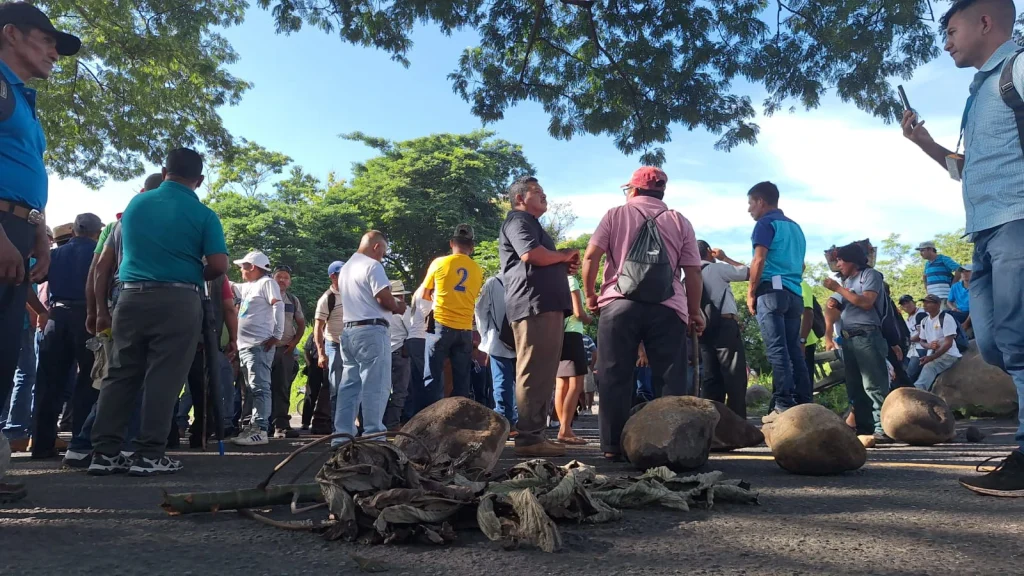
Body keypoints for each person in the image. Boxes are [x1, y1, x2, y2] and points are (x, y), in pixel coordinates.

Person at [901, 0, 1024, 496]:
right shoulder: (982, 91)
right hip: (986, 232)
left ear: (985, 22)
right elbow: (968, 168)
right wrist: (924, 142)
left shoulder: (1017, 67)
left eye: (951, 30)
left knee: (1017, 341)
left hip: (1018, 221)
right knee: (994, 344)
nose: (946, 41)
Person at [88, 148, 228, 476]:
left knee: (121, 372)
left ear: (164, 171)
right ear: (200, 179)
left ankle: (104, 452)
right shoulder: (204, 215)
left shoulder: (136, 205)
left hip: (130, 296)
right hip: (179, 299)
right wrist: (194, 271)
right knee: (164, 376)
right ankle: (149, 453)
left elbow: (105, 264)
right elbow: (219, 265)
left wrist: (99, 309)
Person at [0, 1, 80, 500]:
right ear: (10, 34)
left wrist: (41, 231)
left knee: (5, 354)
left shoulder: (21, 97)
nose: (55, 50)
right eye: (46, 39)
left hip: (19, 230)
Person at [583, 167, 703, 461]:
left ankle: (612, 446)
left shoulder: (615, 214)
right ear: (662, 192)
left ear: (633, 190)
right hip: (668, 306)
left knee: (614, 374)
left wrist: (590, 294)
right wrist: (694, 310)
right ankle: (667, 444)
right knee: (670, 377)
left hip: (619, 303)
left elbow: (591, 257)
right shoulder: (679, 220)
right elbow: (693, 271)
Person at [499, 176, 578, 458]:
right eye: (537, 192)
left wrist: (559, 263)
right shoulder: (518, 221)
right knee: (534, 371)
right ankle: (530, 438)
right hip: (535, 305)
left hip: (544, 305)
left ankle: (535, 435)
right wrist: (563, 255)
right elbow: (531, 255)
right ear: (520, 198)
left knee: (543, 373)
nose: (544, 195)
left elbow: (541, 257)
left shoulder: (531, 224)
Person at [31, 213, 103, 459]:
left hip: (57, 316)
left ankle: (41, 444)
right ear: (97, 232)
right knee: (89, 381)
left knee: (48, 383)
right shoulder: (100, 254)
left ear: (73, 231)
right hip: (88, 317)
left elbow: (31, 279)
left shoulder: (55, 254)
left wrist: (42, 311)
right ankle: (81, 444)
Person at [745, 181, 810, 421]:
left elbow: (759, 260)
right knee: (794, 349)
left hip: (771, 292)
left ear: (761, 201)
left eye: (750, 203)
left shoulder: (765, 223)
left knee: (777, 349)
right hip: (794, 293)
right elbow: (801, 264)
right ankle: (804, 399)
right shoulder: (796, 227)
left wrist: (751, 292)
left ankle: (783, 402)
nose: (749, 209)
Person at [333, 231, 406, 446]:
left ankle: (341, 436)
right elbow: (384, 298)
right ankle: (374, 437)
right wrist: (398, 306)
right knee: (376, 385)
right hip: (372, 330)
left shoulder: (346, 268)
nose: (383, 256)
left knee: (349, 386)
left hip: (349, 331)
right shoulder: (373, 266)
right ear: (376, 247)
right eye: (383, 251)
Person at [822, 243, 891, 443]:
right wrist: (828, 333)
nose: (838, 264)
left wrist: (838, 289)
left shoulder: (869, 275)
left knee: (873, 384)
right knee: (855, 386)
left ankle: (882, 428)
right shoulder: (846, 282)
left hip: (867, 335)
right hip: (848, 338)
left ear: (852, 260)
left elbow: (866, 302)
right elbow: (832, 306)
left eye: (841, 260)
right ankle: (864, 427)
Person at [86, 173, 162, 336]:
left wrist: (97, 312)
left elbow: (98, 268)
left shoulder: (117, 225)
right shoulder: (179, 220)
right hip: (166, 297)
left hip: (125, 295)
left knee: (123, 356)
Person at [420, 224, 484, 406]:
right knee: (462, 380)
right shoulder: (478, 270)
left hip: (440, 325)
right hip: (464, 329)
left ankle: (430, 424)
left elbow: (425, 293)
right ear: (472, 247)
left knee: (432, 377)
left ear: (451, 243)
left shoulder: (439, 263)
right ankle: (459, 422)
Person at [229, 251, 284, 446]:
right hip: (247, 346)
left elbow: (278, 305)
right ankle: (253, 427)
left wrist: (277, 334)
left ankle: (260, 429)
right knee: (252, 389)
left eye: (243, 266)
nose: (240, 270)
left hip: (258, 344)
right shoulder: (250, 286)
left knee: (260, 387)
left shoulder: (267, 283)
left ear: (252, 267)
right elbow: (232, 286)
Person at [697, 241, 750, 417]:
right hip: (725, 325)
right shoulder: (717, 268)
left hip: (703, 329)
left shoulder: (689, 275)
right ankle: (737, 424)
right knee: (734, 375)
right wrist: (724, 257)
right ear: (708, 252)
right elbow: (749, 272)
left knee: (711, 378)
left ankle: (712, 424)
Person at [475, 273, 518, 429]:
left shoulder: (494, 282)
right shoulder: (527, 278)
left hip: (498, 339)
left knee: (501, 381)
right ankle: (526, 420)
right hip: (524, 340)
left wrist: (484, 335)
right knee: (524, 381)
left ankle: (505, 421)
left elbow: (480, 310)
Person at [554, 274, 591, 444]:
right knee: (576, 384)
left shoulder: (553, 280)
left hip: (558, 335)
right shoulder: (570, 280)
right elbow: (578, 313)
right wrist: (590, 318)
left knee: (562, 385)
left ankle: (564, 428)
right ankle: (565, 430)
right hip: (573, 333)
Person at [268, 265, 305, 438]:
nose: (282, 280)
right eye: (279, 277)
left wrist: (294, 343)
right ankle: (260, 425)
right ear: (272, 278)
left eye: (286, 277)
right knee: (260, 388)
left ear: (289, 282)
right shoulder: (264, 294)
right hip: (265, 348)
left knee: (283, 388)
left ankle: (281, 425)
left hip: (285, 350)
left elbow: (301, 323)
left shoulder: (292, 300)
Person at [313, 260, 345, 432]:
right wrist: (321, 352)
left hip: (353, 346)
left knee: (355, 387)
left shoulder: (354, 294)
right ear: (333, 276)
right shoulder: (328, 298)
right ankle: (336, 428)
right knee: (336, 388)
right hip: (334, 345)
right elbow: (318, 326)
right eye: (341, 274)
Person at [912, 295, 963, 391]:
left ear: (938, 304)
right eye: (924, 302)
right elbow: (922, 341)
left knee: (929, 367)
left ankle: (917, 393)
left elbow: (948, 343)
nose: (925, 305)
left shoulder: (946, 318)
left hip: (948, 354)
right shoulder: (924, 321)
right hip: (932, 353)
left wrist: (931, 358)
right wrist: (929, 345)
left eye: (929, 302)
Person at [400, 285, 433, 422]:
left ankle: (416, 415)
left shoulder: (420, 291)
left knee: (417, 381)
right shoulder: (427, 291)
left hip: (416, 338)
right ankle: (427, 414)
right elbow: (428, 312)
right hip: (421, 338)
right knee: (428, 378)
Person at [384, 280, 411, 430]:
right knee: (400, 390)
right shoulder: (403, 311)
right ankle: (393, 424)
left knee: (383, 390)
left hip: (383, 353)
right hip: (400, 352)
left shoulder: (381, 309)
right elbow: (412, 331)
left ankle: (380, 422)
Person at [914, 241, 962, 309]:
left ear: (930, 249)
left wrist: (954, 284)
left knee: (946, 316)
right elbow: (925, 276)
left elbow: (959, 269)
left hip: (945, 297)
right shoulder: (927, 264)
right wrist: (927, 289)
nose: (921, 253)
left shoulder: (943, 259)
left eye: (922, 250)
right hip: (933, 299)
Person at [799, 276, 821, 404]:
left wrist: (802, 340)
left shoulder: (801, 284)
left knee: (804, 381)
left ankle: (806, 410)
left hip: (805, 340)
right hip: (795, 341)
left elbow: (808, 312)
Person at [898, 294, 929, 382]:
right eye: (903, 304)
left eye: (908, 302)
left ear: (913, 302)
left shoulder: (921, 313)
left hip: (922, 348)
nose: (906, 305)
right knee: (902, 371)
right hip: (912, 350)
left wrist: (908, 340)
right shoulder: (908, 318)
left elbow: (922, 335)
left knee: (909, 374)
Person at [947, 264, 972, 333]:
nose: (964, 273)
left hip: (974, 313)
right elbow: (949, 301)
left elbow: (977, 307)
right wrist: (953, 308)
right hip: (960, 312)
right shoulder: (955, 286)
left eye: (967, 271)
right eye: (962, 271)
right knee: (944, 314)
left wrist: (966, 323)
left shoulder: (977, 285)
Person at [580, 334, 597, 416]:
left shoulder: (587, 339)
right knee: (579, 389)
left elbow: (594, 351)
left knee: (589, 388)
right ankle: (583, 408)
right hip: (577, 365)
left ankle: (589, 408)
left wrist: (591, 366)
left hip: (587, 365)